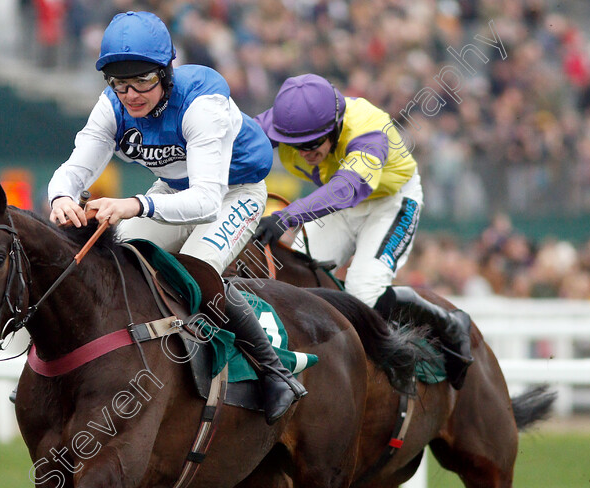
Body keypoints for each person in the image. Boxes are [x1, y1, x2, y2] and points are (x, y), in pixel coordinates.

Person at [47, 11, 306, 423]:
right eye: (118, 81)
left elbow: (205, 201)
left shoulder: (202, 103)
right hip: (172, 192)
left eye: (142, 80)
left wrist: (133, 204)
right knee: (114, 259)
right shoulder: (111, 104)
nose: (130, 94)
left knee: (196, 268)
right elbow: (77, 167)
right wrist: (60, 196)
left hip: (231, 194)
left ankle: (275, 374)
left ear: (167, 72)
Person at [253, 74, 474, 389]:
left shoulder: (368, 129)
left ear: (335, 126)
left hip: (390, 202)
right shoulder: (287, 121)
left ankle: (450, 324)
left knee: (363, 290)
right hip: (339, 203)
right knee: (292, 280)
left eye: (312, 143)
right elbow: (237, 135)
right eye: (295, 144)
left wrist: (288, 216)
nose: (303, 152)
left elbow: (347, 189)